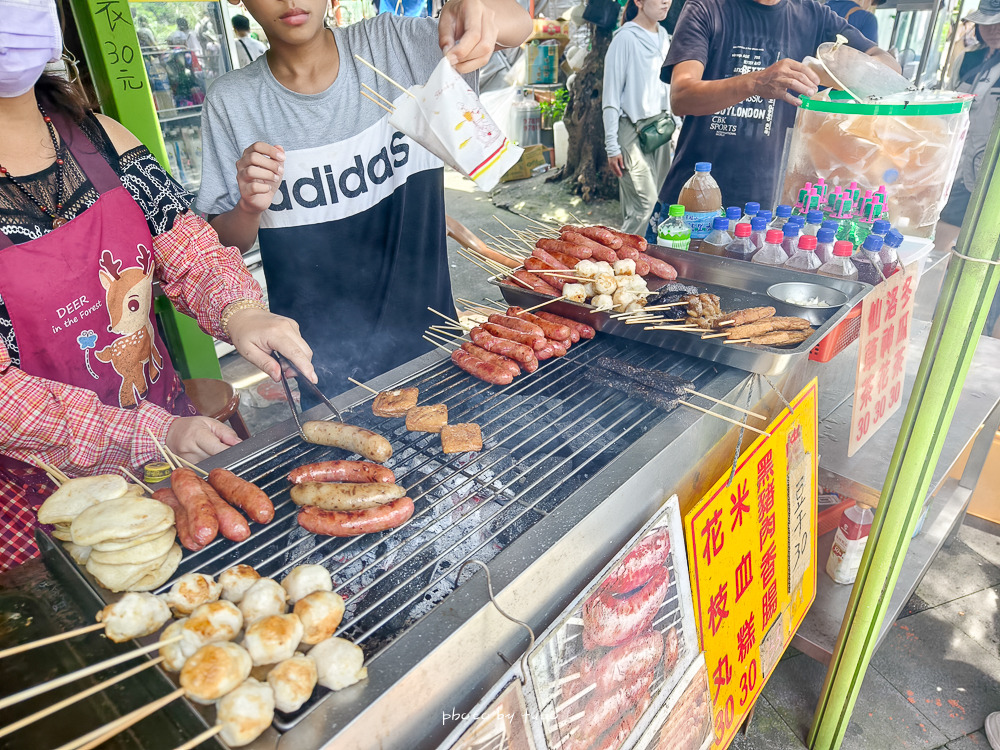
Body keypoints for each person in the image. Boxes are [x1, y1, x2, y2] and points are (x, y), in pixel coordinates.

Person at [0, 0, 315, 571]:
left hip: (172, 451)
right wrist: (150, 431)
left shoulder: (100, 138)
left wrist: (241, 310)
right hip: (43, 505)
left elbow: (186, 246)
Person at [195, 0, 532, 398]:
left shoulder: (396, 46)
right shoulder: (232, 103)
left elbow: (519, 27)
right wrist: (249, 208)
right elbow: (222, 247)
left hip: (436, 343)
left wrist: (476, 10)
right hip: (323, 366)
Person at [655, 0, 900, 211]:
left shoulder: (814, 16)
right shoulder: (707, 7)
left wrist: (843, 67)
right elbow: (681, 97)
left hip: (769, 211)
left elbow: (889, 67)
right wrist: (753, 82)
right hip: (692, 201)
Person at [934, 5, 1000, 335]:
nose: (994, 28)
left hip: (995, 175)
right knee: (945, 235)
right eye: (988, 23)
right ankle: (942, 306)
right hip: (962, 167)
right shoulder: (970, 58)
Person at [603, 0, 674, 235]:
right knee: (644, 206)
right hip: (631, 131)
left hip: (660, 130)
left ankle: (646, 264)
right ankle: (621, 262)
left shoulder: (664, 36)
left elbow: (666, 87)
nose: (667, 2)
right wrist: (612, 146)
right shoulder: (624, 38)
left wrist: (677, 124)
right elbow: (611, 96)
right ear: (639, 2)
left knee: (662, 206)